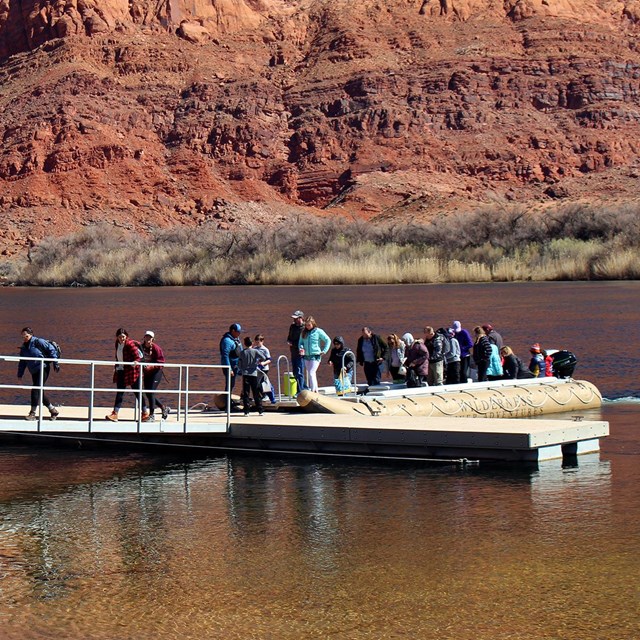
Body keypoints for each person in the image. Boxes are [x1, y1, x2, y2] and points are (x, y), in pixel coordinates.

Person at [17, 327, 60, 421]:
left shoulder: (38, 342)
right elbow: (22, 362)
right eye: (23, 336)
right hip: (33, 371)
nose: (24, 337)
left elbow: (51, 349)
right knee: (39, 391)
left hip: (43, 368)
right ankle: (53, 410)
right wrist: (20, 374)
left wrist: (55, 363)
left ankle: (32, 414)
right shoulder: (24, 347)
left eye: (26, 335)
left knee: (35, 389)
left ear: (31, 335)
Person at [106, 328, 143, 422]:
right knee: (120, 392)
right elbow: (118, 357)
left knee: (137, 392)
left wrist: (135, 362)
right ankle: (115, 413)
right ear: (117, 337)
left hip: (131, 371)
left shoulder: (129, 344)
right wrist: (116, 366)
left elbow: (138, 357)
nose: (121, 338)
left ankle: (145, 413)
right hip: (121, 370)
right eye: (119, 337)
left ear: (126, 336)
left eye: (123, 337)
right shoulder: (117, 344)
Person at [140, 330, 170, 421]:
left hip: (156, 372)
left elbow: (161, 362)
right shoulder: (141, 347)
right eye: (146, 337)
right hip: (146, 372)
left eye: (150, 337)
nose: (148, 339)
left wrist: (152, 366)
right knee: (147, 393)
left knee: (151, 392)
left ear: (153, 339)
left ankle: (152, 415)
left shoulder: (156, 348)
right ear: (144, 337)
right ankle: (164, 408)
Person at [298, 316, 331, 392]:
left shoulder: (318, 331)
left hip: (315, 355)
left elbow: (327, 340)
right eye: (306, 325)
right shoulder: (304, 332)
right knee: (311, 374)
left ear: (313, 324)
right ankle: (315, 390)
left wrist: (324, 350)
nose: (307, 327)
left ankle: (312, 390)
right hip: (306, 356)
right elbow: (300, 342)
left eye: (309, 325)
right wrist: (301, 348)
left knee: (311, 373)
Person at [238, 337, 265, 416]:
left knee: (246, 393)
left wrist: (242, 368)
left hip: (245, 374)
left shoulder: (242, 352)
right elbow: (263, 357)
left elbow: (239, 363)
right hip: (254, 373)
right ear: (252, 343)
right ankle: (260, 410)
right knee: (256, 392)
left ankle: (246, 411)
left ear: (245, 344)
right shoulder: (255, 351)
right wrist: (257, 362)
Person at [287, 310, 306, 393]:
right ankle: (304, 387)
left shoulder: (305, 328)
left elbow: (304, 341)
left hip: (300, 352)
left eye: (296, 318)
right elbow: (289, 337)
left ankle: (300, 390)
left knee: (299, 371)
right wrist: (289, 341)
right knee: (295, 372)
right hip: (293, 351)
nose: (294, 320)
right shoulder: (292, 326)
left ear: (300, 318)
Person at [253, 334, 275, 404]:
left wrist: (263, 363)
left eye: (258, 342)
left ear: (262, 341)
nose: (257, 344)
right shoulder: (255, 349)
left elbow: (269, 360)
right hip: (257, 368)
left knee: (263, 382)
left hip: (264, 368)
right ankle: (262, 395)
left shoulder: (265, 349)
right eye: (256, 342)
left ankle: (267, 395)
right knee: (257, 383)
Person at [220, 323, 242, 393]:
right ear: (233, 331)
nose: (239, 333)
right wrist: (229, 369)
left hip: (237, 365)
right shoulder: (227, 341)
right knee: (230, 383)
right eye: (238, 332)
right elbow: (225, 355)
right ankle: (227, 401)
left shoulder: (236, 339)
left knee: (233, 383)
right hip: (231, 366)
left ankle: (230, 399)